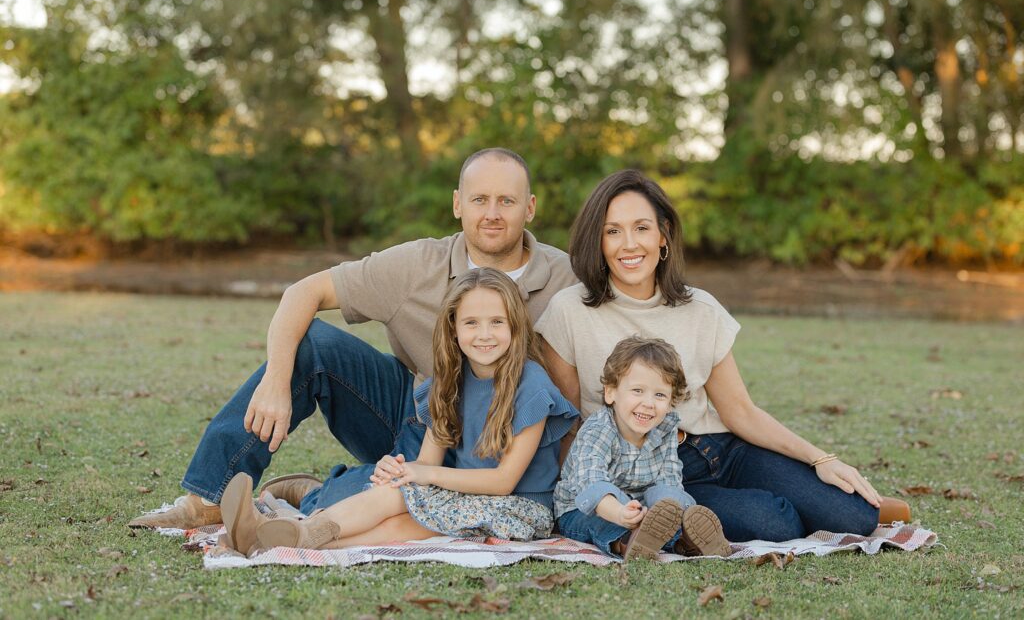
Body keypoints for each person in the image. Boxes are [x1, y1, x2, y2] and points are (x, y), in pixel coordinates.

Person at [129, 148, 577, 531]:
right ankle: (209, 498)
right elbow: (303, 292)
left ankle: (314, 492)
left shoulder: (567, 277)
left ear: (530, 207)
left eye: (506, 201)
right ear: (458, 204)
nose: (492, 213)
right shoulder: (416, 265)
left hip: (504, 441)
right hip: (422, 414)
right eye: (480, 199)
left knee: (349, 506)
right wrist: (276, 381)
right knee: (315, 344)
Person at [536, 169, 898, 543]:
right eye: (613, 231)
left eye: (641, 228)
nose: (629, 244)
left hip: (723, 448)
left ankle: (832, 503)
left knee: (854, 516)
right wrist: (580, 498)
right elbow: (570, 423)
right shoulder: (569, 310)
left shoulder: (700, 308)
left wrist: (820, 459)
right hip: (659, 472)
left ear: (663, 236)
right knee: (775, 523)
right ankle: (774, 508)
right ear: (597, 240)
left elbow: (740, 411)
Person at [218, 268, 578, 554]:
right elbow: (427, 462)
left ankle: (288, 535)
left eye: (497, 322)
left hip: (519, 508)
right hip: (465, 498)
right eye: (471, 323)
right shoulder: (449, 382)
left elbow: (503, 482)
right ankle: (284, 539)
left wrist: (422, 474)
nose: (485, 334)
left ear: (515, 327)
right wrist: (404, 470)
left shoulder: (531, 384)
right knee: (397, 500)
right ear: (453, 329)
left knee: (402, 515)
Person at [555, 335, 731, 560]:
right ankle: (628, 542)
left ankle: (686, 538)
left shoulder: (665, 429)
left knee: (667, 497)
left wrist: (668, 507)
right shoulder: (598, 430)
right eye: (637, 390)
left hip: (642, 510)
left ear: (670, 402)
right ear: (611, 392)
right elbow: (591, 484)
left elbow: (669, 478)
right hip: (585, 509)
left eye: (659, 395)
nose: (648, 403)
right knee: (600, 523)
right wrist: (621, 514)